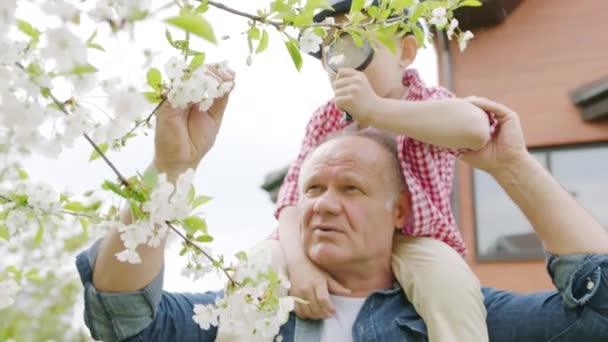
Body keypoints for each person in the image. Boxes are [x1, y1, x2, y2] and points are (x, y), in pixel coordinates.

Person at [77, 63, 608, 340]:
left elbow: (599, 317)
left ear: (400, 212)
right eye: (313, 189)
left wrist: (512, 166)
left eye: (351, 188)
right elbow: (124, 322)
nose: (323, 205)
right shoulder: (244, 316)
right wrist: (171, 169)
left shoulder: (464, 318)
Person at [265, 1, 494, 340]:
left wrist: (375, 110)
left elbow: (475, 128)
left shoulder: (428, 102)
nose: (340, 61)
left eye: (356, 41)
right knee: (259, 264)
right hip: (330, 234)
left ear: (405, 51)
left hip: (416, 240)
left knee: (451, 284)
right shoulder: (326, 117)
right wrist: (298, 264)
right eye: (330, 50)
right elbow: (290, 200)